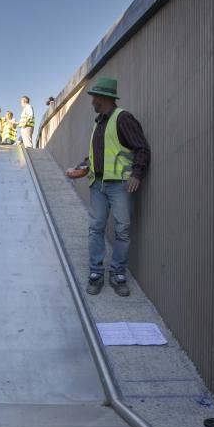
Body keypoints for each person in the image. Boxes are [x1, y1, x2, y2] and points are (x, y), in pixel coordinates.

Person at [65, 77, 150, 297]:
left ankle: (118, 274)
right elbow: (99, 153)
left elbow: (142, 148)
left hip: (120, 185)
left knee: (122, 230)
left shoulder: (123, 119)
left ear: (103, 97)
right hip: (98, 184)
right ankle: (96, 274)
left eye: (94, 96)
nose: (92, 100)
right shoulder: (99, 123)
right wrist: (83, 165)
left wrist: (137, 174)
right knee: (96, 229)